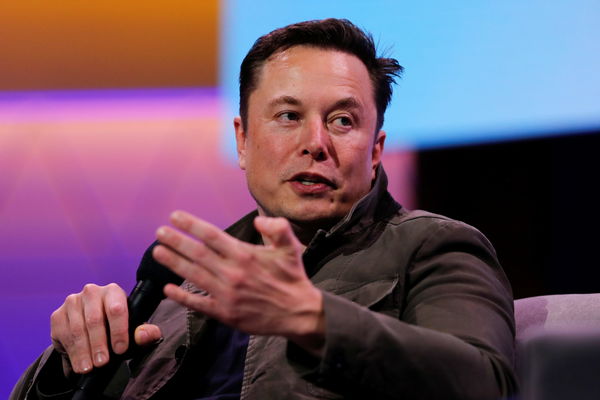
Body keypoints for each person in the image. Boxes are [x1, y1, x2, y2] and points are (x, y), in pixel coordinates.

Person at [11, 18, 517, 399]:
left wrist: (313, 320)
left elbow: (484, 382)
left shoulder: (431, 247)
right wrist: (69, 361)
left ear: (377, 149)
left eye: (342, 120)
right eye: (288, 115)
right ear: (244, 141)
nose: (315, 143)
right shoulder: (187, 281)